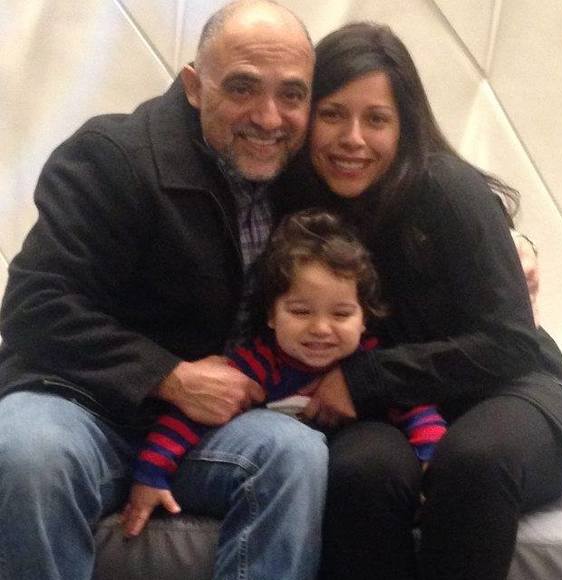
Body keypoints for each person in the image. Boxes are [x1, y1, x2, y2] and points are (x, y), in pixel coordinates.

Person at [0, 2, 330, 579]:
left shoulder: (304, 176)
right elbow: (35, 305)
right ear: (195, 87)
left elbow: (397, 199)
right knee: (26, 451)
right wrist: (170, 377)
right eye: (243, 88)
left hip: (207, 431)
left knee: (295, 455)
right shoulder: (112, 157)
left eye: (291, 94)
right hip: (81, 408)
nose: (269, 117)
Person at [276, 22, 562, 580]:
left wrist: (366, 379)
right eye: (333, 114)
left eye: (376, 119)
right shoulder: (294, 202)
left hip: (512, 388)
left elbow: (510, 341)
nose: (352, 138)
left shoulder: (448, 189)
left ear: (405, 124)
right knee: (362, 475)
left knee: (474, 462)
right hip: (389, 411)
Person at [121, 209, 448, 537]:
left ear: (364, 319)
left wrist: (431, 457)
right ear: (272, 315)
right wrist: (151, 474)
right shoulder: (255, 365)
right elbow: (188, 417)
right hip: (281, 480)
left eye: (341, 314)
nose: (321, 328)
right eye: (301, 311)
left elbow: (416, 409)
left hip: (347, 483)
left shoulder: (369, 365)